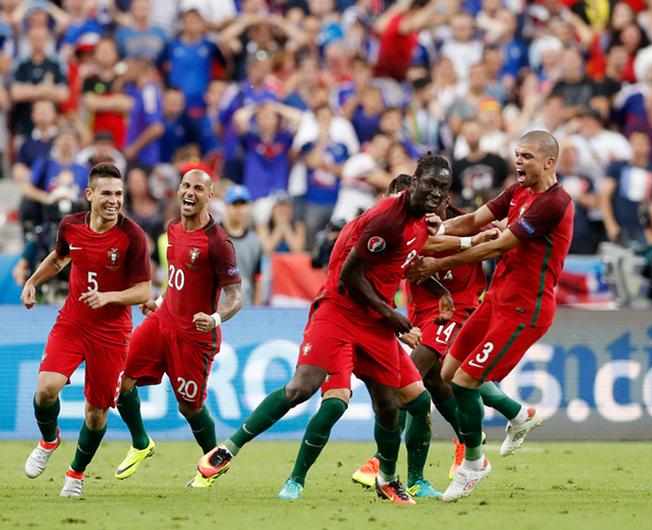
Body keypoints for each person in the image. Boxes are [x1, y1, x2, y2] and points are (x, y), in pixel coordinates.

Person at [195, 154, 454, 506]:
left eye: (443, 187)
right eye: (431, 185)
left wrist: (439, 291)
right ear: (413, 183)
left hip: (374, 320)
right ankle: (231, 448)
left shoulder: (421, 223)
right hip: (341, 309)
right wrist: (393, 316)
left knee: (390, 404)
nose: (437, 193)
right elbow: (349, 274)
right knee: (303, 387)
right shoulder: (385, 220)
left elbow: (407, 263)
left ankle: (389, 479)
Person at [406, 130, 574, 501]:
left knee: (465, 383)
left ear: (549, 162)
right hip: (494, 299)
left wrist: (438, 260)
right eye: (516, 155)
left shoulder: (554, 203)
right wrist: (436, 228)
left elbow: (498, 244)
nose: (518, 162)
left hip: (524, 310)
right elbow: (473, 221)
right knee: (448, 375)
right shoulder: (517, 192)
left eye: (526, 157)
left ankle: (473, 464)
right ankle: (518, 414)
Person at [351, 174, 501, 498]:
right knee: (436, 381)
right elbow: (407, 268)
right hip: (420, 313)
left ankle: (383, 461)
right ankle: (468, 439)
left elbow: (487, 247)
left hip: (455, 310)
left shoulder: (464, 225)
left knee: (410, 378)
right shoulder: (404, 229)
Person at [21, 163, 151, 497]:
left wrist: (109, 296)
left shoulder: (132, 235)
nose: (114, 200)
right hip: (73, 323)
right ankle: (49, 440)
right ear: (89, 194)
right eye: (107, 193)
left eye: (119, 194)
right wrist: (33, 281)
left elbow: (142, 291)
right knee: (46, 390)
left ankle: (75, 474)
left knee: (95, 414)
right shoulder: (70, 226)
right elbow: (59, 258)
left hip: (111, 333)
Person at [112, 169, 243, 487]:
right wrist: (157, 301)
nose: (190, 192)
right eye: (186, 185)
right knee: (121, 381)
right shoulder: (172, 229)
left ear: (209, 195)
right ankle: (141, 443)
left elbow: (236, 296)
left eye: (198, 188)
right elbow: (177, 279)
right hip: (163, 321)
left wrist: (214, 319)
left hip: (194, 335)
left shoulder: (218, 241)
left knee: (189, 406)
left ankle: (211, 463)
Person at [222, 185, 263, 307]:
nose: (238, 209)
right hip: (217, 309)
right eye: (234, 204)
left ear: (248, 206)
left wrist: (257, 307)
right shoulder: (213, 235)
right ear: (226, 206)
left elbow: (257, 277)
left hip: (246, 307)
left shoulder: (255, 241)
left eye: (242, 204)